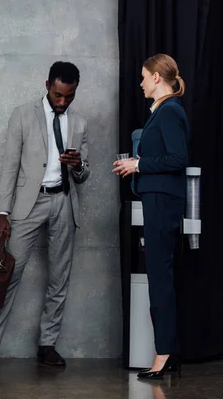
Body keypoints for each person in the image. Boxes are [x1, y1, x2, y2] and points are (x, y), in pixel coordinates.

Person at [0, 61, 90, 369]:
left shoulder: (79, 123)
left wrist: (77, 165)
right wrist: (2, 213)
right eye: (58, 95)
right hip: (28, 204)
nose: (63, 102)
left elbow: (84, 174)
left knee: (59, 278)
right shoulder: (23, 115)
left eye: (70, 96)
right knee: (7, 275)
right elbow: (9, 166)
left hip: (64, 201)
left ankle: (47, 344)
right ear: (47, 85)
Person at [113, 53, 189, 379]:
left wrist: (138, 164)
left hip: (162, 204)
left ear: (157, 77)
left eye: (145, 77)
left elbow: (178, 158)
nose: (141, 82)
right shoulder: (163, 112)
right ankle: (167, 351)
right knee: (160, 279)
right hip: (157, 201)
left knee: (160, 280)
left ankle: (165, 354)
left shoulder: (170, 111)